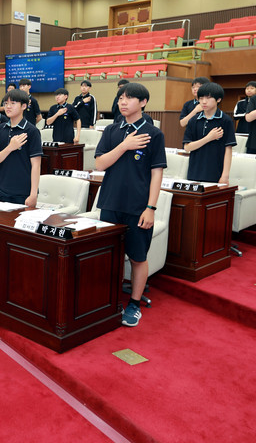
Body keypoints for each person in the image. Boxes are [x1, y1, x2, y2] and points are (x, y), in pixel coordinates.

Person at [94, 82, 166, 328]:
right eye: (120, 98)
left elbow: (157, 173)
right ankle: (107, 300)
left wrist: (151, 208)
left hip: (138, 207)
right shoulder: (112, 130)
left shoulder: (153, 134)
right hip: (110, 203)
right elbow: (100, 164)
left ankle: (134, 304)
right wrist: (124, 145)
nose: (123, 102)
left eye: (129, 98)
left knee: (137, 257)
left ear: (143, 102)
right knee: (108, 255)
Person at [0, 89, 42, 207]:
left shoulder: (32, 131)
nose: (8, 107)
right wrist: (10, 147)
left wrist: (33, 194)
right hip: (4, 190)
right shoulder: (1, 129)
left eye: (13, 103)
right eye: (6, 103)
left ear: (24, 106)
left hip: (24, 193)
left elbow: (36, 165)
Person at [182, 82, 236, 184]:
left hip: (216, 173)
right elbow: (187, 147)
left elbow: (228, 149)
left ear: (218, 99)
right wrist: (208, 138)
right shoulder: (193, 120)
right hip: (194, 173)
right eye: (201, 98)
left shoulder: (225, 120)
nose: (204, 102)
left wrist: (225, 176)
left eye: (208, 98)